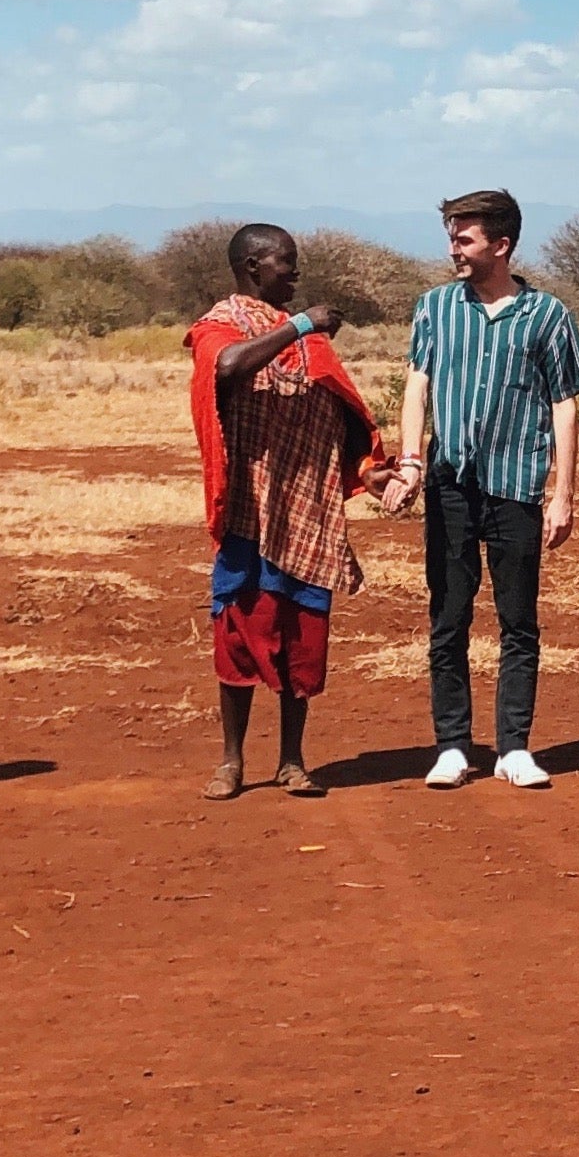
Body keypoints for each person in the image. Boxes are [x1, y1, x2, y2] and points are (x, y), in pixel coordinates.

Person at [376, 189, 579, 791]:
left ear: (501, 245)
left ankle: (514, 746)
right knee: (448, 615)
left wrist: (563, 492)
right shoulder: (435, 307)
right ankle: (452, 744)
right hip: (449, 484)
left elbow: (564, 406)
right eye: (452, 237)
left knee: (518, 620)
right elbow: (417, 386)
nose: (454, 249)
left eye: (465, 239)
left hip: (516, 485)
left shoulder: (547, 316)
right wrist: (412, 462)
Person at [190, 224, 376, 801]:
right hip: (249, 505)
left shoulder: (309, 339)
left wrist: (370, 470)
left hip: (306, 510)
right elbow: (226, 369)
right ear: (252, 266)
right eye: (285, 263)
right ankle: (232, 761)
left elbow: (340, 415)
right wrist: (300, 324)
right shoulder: (219, 327)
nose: (294, 273)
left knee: (300, 635)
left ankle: (293, 760)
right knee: (239, 631)